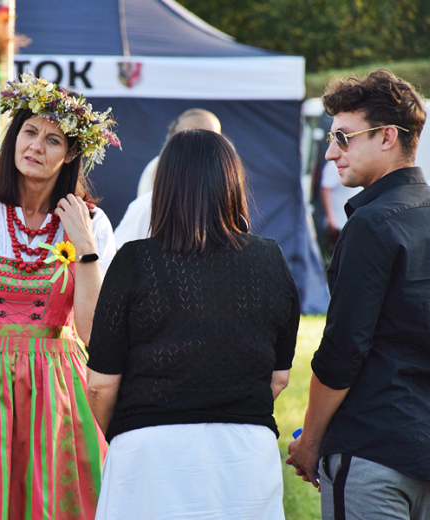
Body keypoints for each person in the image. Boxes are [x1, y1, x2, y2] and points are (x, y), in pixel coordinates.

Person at [0, 72, 120, 520]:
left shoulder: (92, 223)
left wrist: (85, 249)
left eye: (53, 140)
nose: (35, 146)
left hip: (59, 392)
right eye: (29, 132)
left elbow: (95, 332)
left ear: (71, 153)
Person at [87, 130, 300, 520]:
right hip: (245, 455)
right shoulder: (270, 259)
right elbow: (279, 377)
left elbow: (101, 383)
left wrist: (128, 431)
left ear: (164, 186)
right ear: (233, 184)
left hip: (148, 455)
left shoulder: (135, 261)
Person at [286, 70, 430, 519]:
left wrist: (310, 441)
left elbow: (342, 351)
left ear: (388, 136)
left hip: (373, 451)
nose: (333, 151)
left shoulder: (372, 224)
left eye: (343, 137)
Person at [114, 108, 221, 248]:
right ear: (172, 144)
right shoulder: (145, 207)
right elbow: (116, 258)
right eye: (190, 136)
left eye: (209, 138)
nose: (199, 146)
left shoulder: (227, 207)